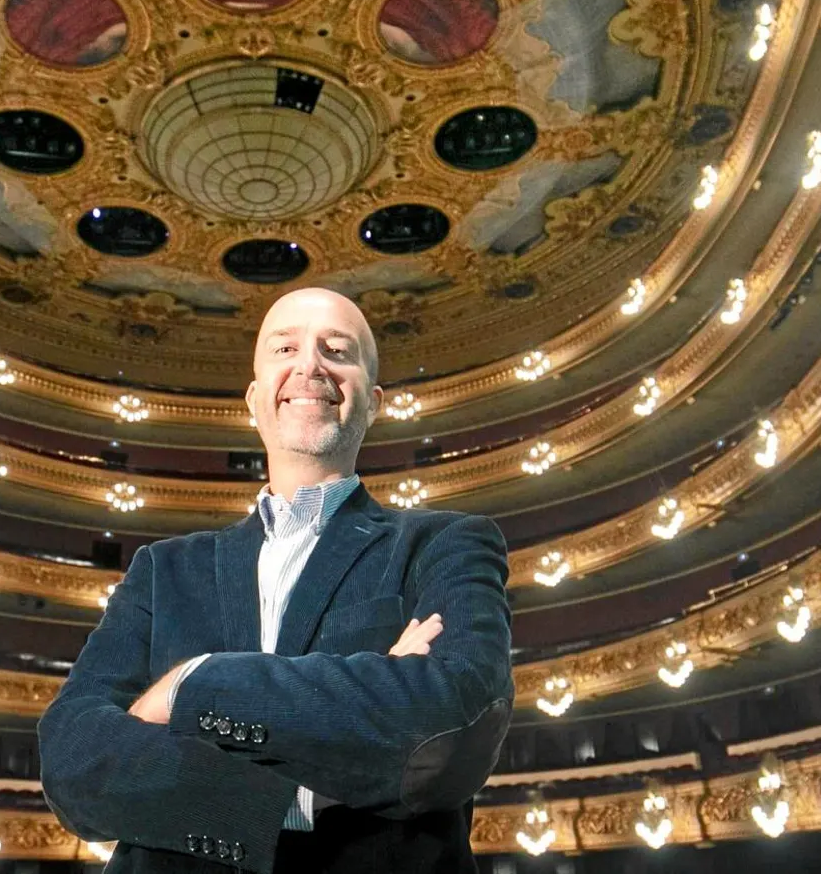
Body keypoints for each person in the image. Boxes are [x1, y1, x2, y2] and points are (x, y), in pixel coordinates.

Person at [40, 287, 514, 873]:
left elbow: (455, 718)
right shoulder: (164, 570)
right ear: (254, 396)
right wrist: (287, 799)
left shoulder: (445, 542)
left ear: (374, 402)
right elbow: (73, 759)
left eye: (337, 350)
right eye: (285, 347)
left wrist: (190, 685)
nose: (309, 365)